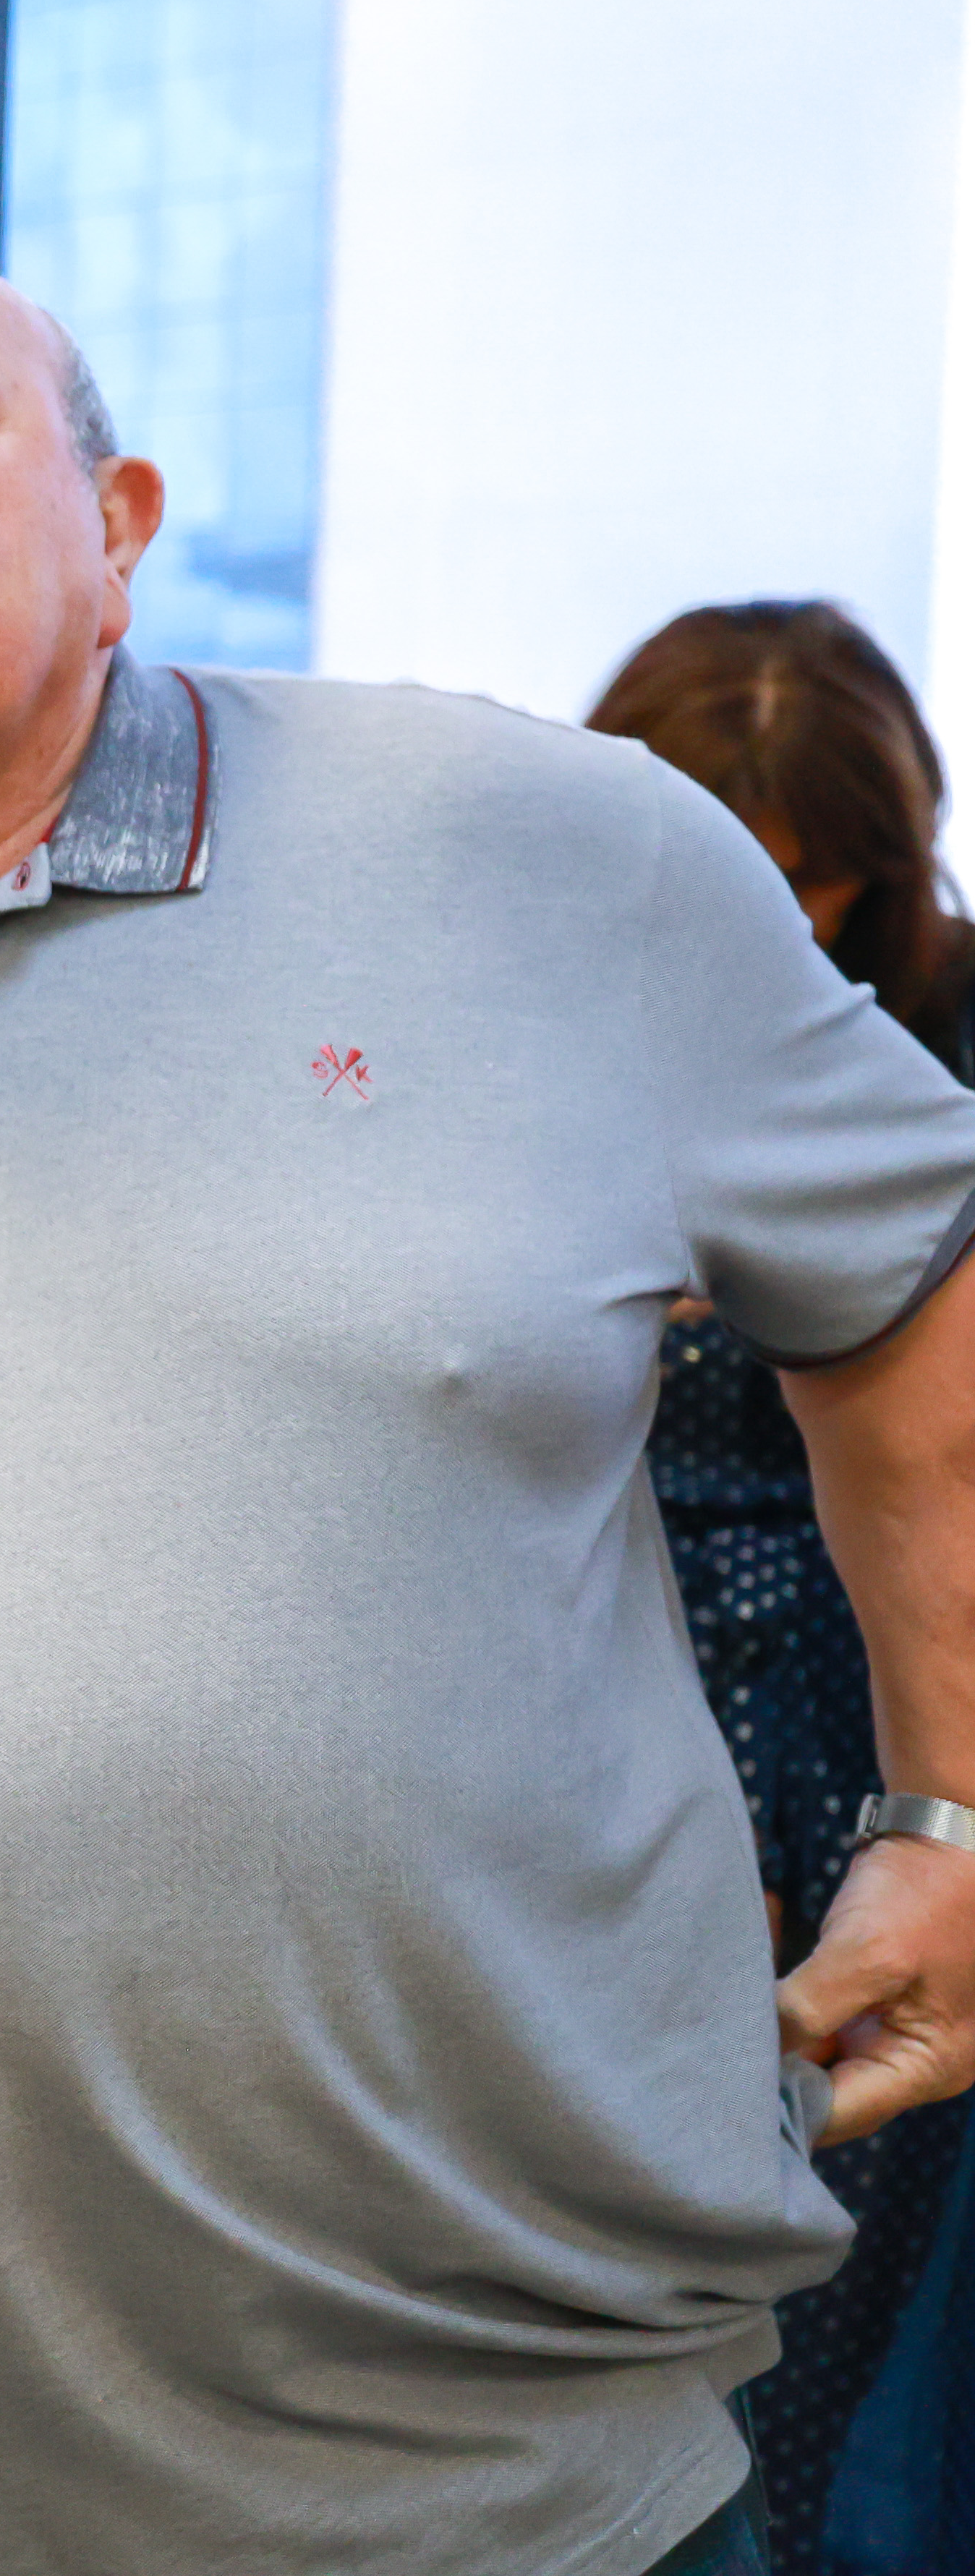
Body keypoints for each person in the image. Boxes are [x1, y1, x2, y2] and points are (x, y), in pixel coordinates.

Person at [0, 231, 975, 2576]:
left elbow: (920, 1279)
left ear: (117, 526)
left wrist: (951, 1804)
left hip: (519, 2488)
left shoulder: (540, 851)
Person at [593, 603, 975, 2575]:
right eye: (735, 884)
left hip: (880, 1699)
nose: (784, 933)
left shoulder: (946, 1040)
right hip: (615, 1689)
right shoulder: (516, 1043)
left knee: (871, 2261)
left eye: (819, 885)